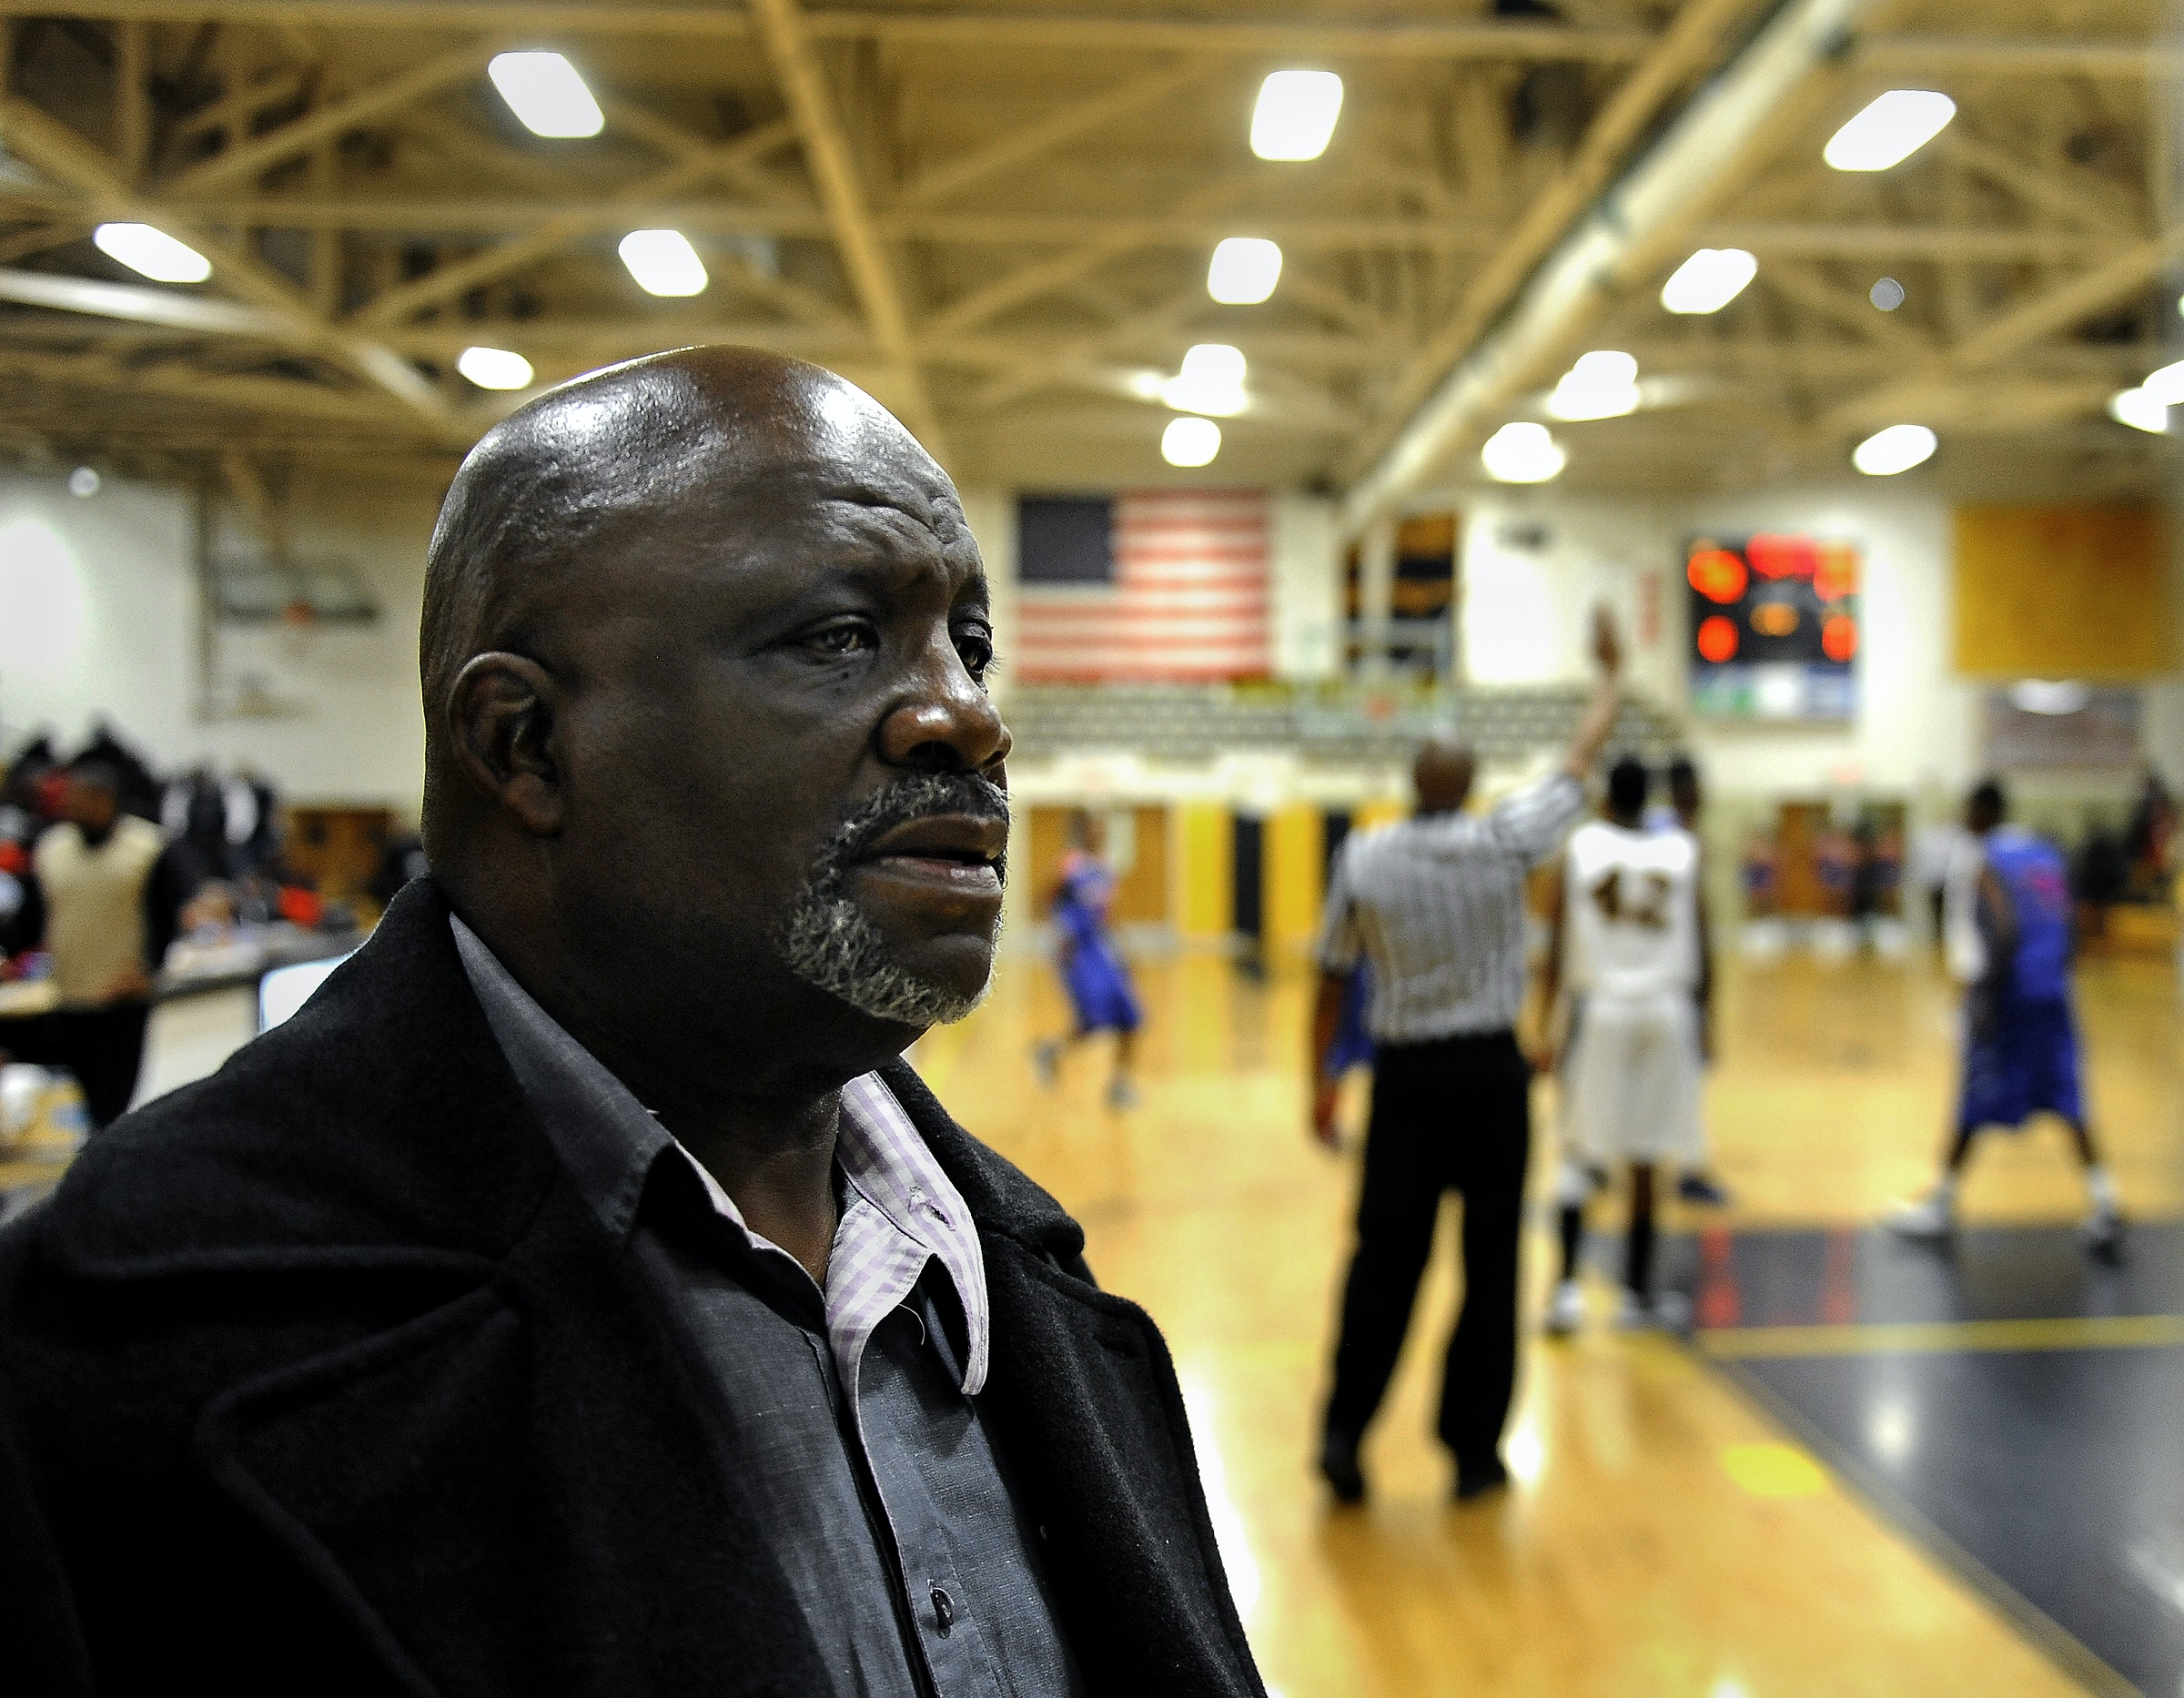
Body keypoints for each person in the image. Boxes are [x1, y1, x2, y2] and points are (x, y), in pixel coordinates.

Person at [0, 349, 1264, 1697]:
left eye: (969, 642)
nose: (968, 715)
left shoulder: (1049, 1293)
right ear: (526, 745)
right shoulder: (102, 1358)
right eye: (840, 637)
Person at [1308, 608, 1623, 1505]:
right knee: (1492, 1268)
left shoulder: (1364, 856)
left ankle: (1344, 1434)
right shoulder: (1506, 837)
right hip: (1491, 1079)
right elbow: (1578, 762)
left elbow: (1331, 981)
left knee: (1384, 1263)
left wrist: (1323, 1083)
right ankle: (1474, 1454)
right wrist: (1607, 677)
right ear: (1474, 782)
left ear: (1413, 783)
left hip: (1404, 1083)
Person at [1888, 779, 2123, 1253]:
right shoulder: (2045, 854)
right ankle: (2105, 1202)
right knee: (2068, 1096)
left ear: (1980, 813)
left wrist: (1984, 998)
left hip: (2009, 996)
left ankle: (1941, 1205)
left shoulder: (1983, 859)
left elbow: (2004, 928)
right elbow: (2072, 926)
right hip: (2053, 993)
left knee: (1974, 1097)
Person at [1538, 757, 1707, 1334]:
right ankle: (1635, 1296)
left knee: (1579, 1151)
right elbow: (1704, 938)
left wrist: (1545, 1024)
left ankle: (1565, 1291)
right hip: (1666, 1008)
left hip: (1601, 1009)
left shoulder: (1581, 848)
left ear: (1605, 798)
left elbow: (1556, 942)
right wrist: (1709, 1019)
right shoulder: (1682, 850)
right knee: (1645, 1157)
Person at [7, 762, 198, 1127]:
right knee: (74, 1099)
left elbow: (167, 917)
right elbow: (33, 915)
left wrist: (150, 968)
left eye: (82, 800)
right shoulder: (52, 847)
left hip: (121, 997)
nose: (73, 807)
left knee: (111, 1104)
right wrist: (8, 955)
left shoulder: (148, 848)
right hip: (67, 993)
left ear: (107, 801)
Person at [1642, 753, 1730, 1207]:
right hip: (1671, 975)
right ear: (1682, 791)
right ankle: (1686, 1169)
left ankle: (1618, 1162)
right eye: (1694, 786)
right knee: (1682, 1072)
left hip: (1657, 971)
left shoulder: (1666, 832)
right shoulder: (1673, 837)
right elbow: (1693, 921)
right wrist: (1706, 995)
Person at [1032, 809, 1143, 1108]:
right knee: (1092, 1023)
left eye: (1102, 827)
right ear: (1082, 831)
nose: (1099, 832)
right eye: (1094, 827)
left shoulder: (1106, 869)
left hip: (1102, 951)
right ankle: (1050, 1051)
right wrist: (1059, 931)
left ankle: (1118, 1086)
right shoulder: (1068, 865)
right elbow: (1042, 900)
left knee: (1131, 1018)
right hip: (1077, 954)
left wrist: (1126, 950)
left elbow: (1109, 916)